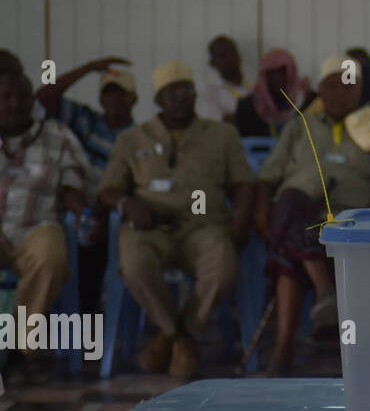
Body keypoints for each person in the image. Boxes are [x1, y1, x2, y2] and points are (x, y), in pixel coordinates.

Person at [97, 61, 254, 380]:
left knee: (223, 268)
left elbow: (244, 184)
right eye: (172, 92)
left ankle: (172, 335)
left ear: (195, 94)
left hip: (204, 226)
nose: (180, 97)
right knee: (135, 264)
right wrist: (127, 204)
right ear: (158, 100)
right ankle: (182, 339)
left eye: (186, 90)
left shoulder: (222, 134)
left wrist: (241, 217)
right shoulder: (132, 139)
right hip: (149, 227)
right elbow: (107, 190)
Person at [254, 55, 370, 375]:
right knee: (293, 201)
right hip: (295, 207)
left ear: (361, 88)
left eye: (350, 83)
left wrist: (367, 218)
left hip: (349, 219)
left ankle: (282, 352)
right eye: (333, 83)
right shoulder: (301, 125)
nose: (342, 90)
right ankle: (325, 294)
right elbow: (269, 175)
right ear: (320, 90)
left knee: (288, 252)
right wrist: (261, 210)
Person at [0, 70, 90, 372]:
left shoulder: (58, 135)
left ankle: (15, 347)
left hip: (36, 227)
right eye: (5, 98)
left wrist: (79, 209)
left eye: (21, 97)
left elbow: (73, 183)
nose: (14, 105)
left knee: (50, 256)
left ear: (32, 100)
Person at [35, 58, 138, 313]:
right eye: (107, 94)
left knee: (94, 233)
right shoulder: (86, 120)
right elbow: (44, 97)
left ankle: (85, 314)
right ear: (101, 100)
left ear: (133, 99)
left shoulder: (139, 137)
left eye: (120, 95)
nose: (113, 100)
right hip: (69, 201)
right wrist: (88, 68)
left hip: (104, 211)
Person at [232, 48, 313, 139]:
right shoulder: (248, 106)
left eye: (282, 71)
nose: (277, 77)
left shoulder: (309, 101)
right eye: (271, 73)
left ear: (291, 73)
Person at [195, 35, 252, 122]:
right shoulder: (208, 93)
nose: (230, 57)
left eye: (233, 52)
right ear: (212, 63)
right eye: (223, 55)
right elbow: (218, 125)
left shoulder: (255, 84)